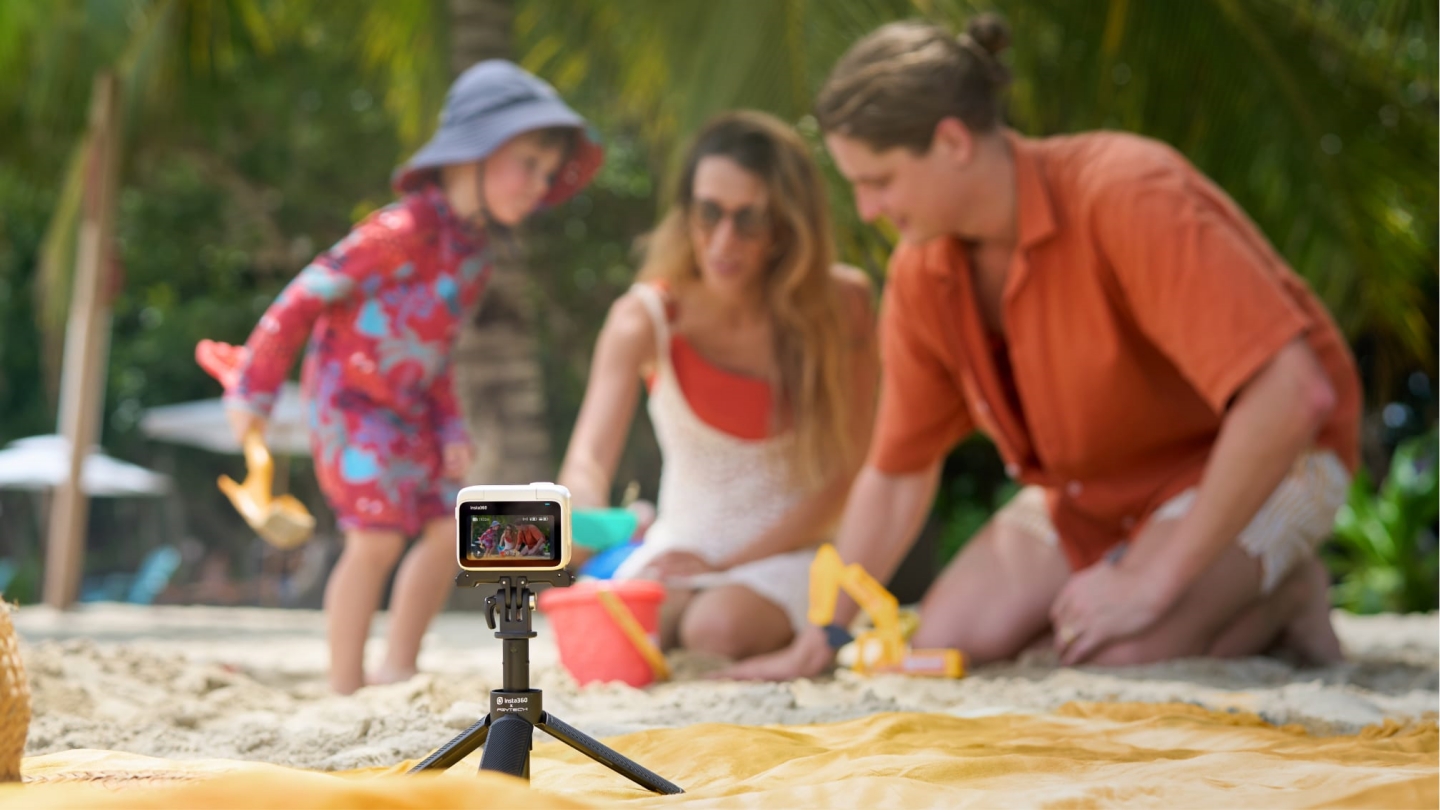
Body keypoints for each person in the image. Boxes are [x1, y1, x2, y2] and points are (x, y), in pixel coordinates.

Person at [727, 15, 1361, 680]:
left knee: (1116, 658)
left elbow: (1294, 395)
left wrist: (1151, 583)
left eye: (879, 181)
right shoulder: (921, 272)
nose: (865, 208)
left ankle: (1288, 594)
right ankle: (1187, 588)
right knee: (942, 641)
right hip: (1097, 493)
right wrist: (824, 635)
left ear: (952, 142)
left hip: (1275, 456)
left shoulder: (1125, 190)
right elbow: (897, 474)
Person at [222, 60, 602, 694]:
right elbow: (302, 298)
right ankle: (344, 684)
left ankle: (399, 665)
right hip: (350, 403)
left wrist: (452, 427)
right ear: (473, 152)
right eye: (528, 163)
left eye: (548, 172)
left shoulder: (474, 255)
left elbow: (437, 349)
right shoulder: (397, 232)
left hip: (415, 409)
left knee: (448, 530)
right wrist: (253, 389)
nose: (539, 184)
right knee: (374, 540)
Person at [557, 111, 879, 661]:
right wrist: (580, 511)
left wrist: (726, 565)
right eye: (708, 213)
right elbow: (587, 459)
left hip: (794, 551)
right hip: (678, 549)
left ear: (788, 225)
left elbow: (848, 474)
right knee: (614, 638)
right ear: (686, 212)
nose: (724, 240)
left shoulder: (842, 304)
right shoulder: (645, 316)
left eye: (749, 219)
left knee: (717, 628)